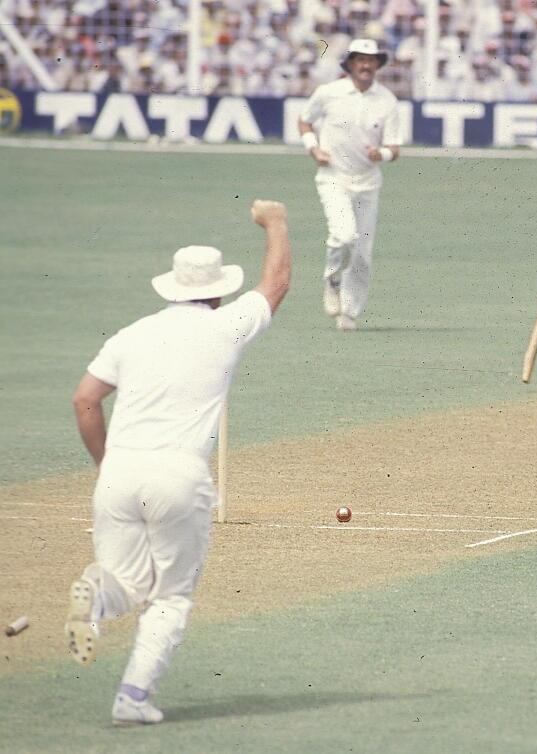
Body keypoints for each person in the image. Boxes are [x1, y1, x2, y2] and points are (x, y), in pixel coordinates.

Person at [67, 200, 292, 725]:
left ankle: (94, 598)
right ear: (217, 290)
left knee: (123, 583)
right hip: (178, 475)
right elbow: (276, 282)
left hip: (119, 473)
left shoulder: (131, 334)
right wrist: (276, 223)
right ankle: (132, 698)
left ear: (171, 287)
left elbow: (84, 400)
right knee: (170, 598)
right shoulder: (226, 326)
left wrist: (104, 462)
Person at [298, 38, 402, 331]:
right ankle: (332, 280)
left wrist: (378, 153)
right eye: (360, 60)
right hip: (333, 177)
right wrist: (313, 148)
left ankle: (349, 312)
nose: (366, 65)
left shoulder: (387, 100)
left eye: (371, 60)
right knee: (344, 236)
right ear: (351, 64)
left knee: (362, 255)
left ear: (378, 65)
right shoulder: (329, 93)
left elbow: (394, 148)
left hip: (368, 183)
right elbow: (304, 121)